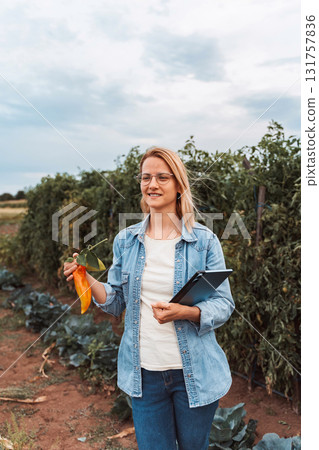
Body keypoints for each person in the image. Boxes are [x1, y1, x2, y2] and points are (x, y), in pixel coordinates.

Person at [64, 147, 235, 450]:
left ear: (179, 185)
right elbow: (115, 301)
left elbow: (223, 305)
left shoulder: (204, 241)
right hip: (144, 375)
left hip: (194, 372)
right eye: (146, 177)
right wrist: (85, 277)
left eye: (161, 177)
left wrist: (185, 312)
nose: (152, 184)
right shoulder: (126, 241)